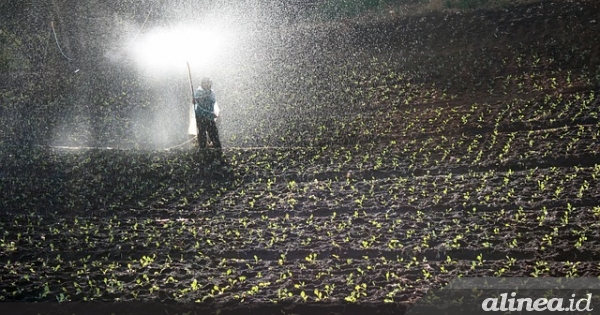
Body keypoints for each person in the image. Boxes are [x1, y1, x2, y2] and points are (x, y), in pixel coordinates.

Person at [194, 77, 221, 150]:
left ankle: (218, 151)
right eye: (204, 83)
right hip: (201, 117)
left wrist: (215, 113)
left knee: (214, 135)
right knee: (202, 135)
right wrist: (209, 114)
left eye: (208, 83)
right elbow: (198, 108)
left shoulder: (212, 93)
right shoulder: (198, 93)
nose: (206, 84)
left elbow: (214, 105)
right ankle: (202, 151)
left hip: (210, 118)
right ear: (202, 84)